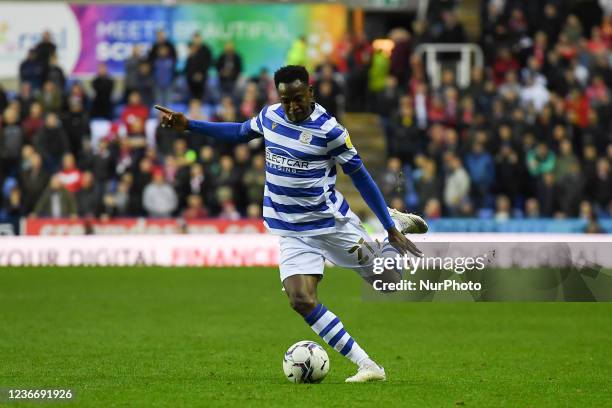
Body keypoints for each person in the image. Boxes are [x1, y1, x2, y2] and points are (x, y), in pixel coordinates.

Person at [155, 65, 428, 383]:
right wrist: (189, 125)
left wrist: (388, 226)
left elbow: (360, 176)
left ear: (310, 92)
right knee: (301, 300)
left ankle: (394, 225)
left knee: (391, 283)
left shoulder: (330, 130)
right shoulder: (270, 116)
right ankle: (368, 366)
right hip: (290, 229)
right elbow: (240, 132)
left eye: (298, 98)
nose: (292, 106)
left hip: (331, 225)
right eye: (286, 100)